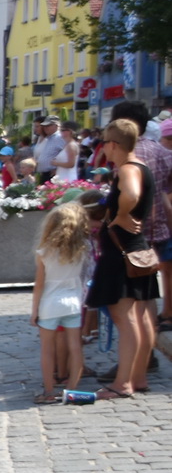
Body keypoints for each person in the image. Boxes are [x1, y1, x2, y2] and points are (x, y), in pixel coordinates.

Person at [86, 119, 157, 399]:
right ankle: (137, 377)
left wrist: (122, 214)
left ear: (113, 145)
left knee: (125, 317)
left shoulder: (127, 169)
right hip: (136, 248)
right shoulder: (143, 167)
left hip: (122, 252)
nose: (104, 147)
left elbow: (132, 194)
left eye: (105, 142)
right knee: (141, 317)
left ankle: (123, 383)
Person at [111, 101, 172, 335]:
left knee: (135, 297)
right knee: (156, 283)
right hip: (160, 228)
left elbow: (130, 193)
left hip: (135, 232)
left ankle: (141, 354)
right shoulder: (159, 150)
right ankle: (164, 318)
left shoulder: (128, 153)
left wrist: (120, 215)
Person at [30, 202, 92, 403]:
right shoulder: (83, 249)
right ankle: (72, 389)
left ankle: (49, 391)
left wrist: (34, 311)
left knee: (47, 350)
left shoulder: (44, 252)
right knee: (75, 347)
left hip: (50, 303)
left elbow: (39, 285)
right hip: (73, 302)